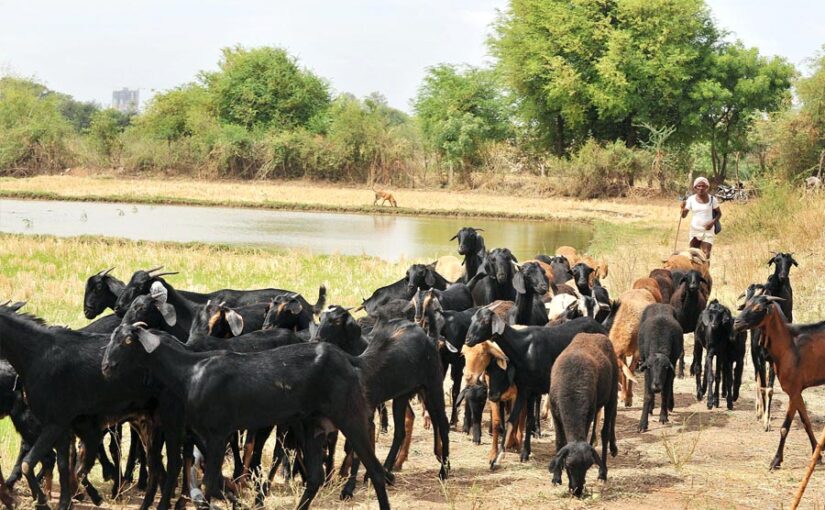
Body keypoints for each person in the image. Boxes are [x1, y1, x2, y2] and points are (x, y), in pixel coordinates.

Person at [680, 176, 721, 259]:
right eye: (698, 186)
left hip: (708, 231)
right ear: (695, 188)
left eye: (703, 186)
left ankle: (705, 267)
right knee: (693, 254)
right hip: (695, 230)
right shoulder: (691, 199)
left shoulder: (712, 199)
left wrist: (712, 222)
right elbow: (683, 216)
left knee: (706, 254)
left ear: (707, 187)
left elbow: (719, 214)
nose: (701, 188)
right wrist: (682, 209)